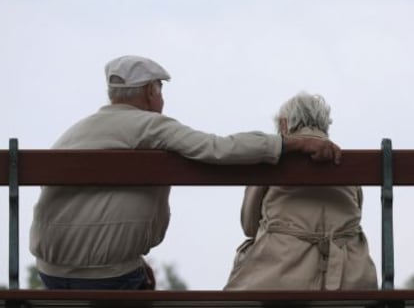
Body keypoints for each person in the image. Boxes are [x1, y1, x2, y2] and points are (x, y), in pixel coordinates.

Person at [30, 56, 342, 290]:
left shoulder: (73, 133)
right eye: (160, 89)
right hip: (110, 277)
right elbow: (218, 149)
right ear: (152, 91)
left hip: (50, 273)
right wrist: (289, 144)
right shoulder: (150, 125)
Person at [224, 92, 377, 291]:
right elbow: (356, 213)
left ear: (284, 125)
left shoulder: (271, 161)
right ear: (325, 125)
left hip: (280, 276)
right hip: (349, 279)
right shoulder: (347, 164)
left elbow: (249, 225)